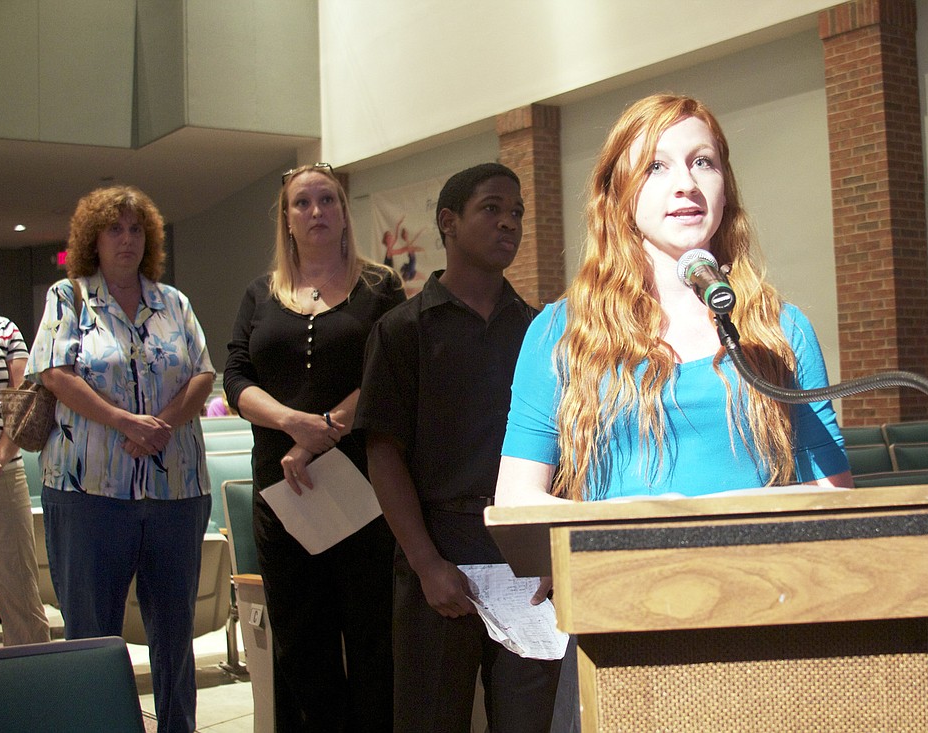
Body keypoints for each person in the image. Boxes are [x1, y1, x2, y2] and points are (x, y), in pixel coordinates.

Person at [497, 93, 853, 507]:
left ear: (725, 189)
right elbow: (516, 498)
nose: (687, 184)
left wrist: (717, 514)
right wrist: (624, 519)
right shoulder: (561, 331)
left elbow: (833, 493)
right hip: (615, 550)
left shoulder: (782, 328)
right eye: (656, 166)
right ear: (619, 194)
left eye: (703, 162)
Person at [358, 163, 562, 733]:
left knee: (530, 722)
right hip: (438, 555)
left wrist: (553, 557)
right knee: (430, 719)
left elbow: (565, 450)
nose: (509, 223)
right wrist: (426, 563)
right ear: (448, 222)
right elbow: (383, 455)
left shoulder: (540, 331)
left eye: (517, 212)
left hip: (525, 562)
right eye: (492, 208)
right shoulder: (403, 330)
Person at [26, 185, 215, 733]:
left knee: (174, 633)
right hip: (89, 492)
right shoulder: (69, 297)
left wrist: (162, 426)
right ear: (94, 238)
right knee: (93, 635)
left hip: (176, 490)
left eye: (136, 229)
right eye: (115, 229)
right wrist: (124, 422)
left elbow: (203, 372)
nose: (127, 239)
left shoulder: (173, 302)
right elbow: (54, 373)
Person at [224, 163, 404, 732]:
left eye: (327, 200)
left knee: (373, 643)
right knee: (302, 648)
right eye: (302, 203)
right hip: (282, 494)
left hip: (365, 491)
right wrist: (290, 423)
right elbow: (235, 377)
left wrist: (325, 429)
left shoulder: (379, 286)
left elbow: (391, 370)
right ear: (287, 218)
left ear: (344, 213)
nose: (316, 211)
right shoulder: (260, 293)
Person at [0, 306, 51, 646]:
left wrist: (0, 455)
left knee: (19, 593)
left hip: (1, 475)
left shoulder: (5, 332)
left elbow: (25, 398)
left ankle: (33, 675)